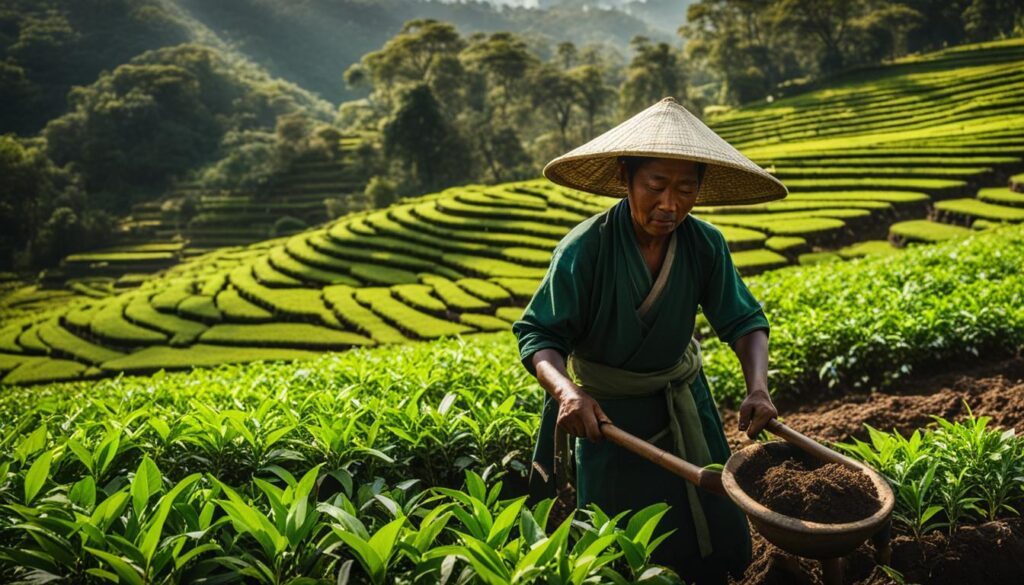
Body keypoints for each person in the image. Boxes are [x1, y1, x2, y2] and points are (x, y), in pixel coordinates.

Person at [512, 97, 788, 584]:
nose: (670, 204)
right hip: (608, 420)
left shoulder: (704, 244)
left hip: (685, 407)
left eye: (685, 188)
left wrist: (758, 388)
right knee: (621, 550)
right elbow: (539, 333)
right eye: (656, 186)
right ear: (627, 179)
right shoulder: (586, 248)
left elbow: (744, 320)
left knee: (717, 538)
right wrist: (567, 393)